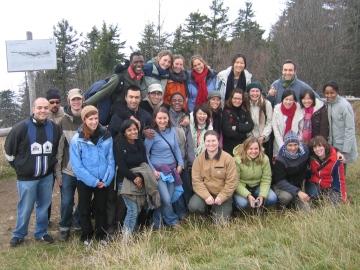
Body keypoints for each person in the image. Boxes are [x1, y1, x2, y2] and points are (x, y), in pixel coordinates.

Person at [5, 98, 61, 247]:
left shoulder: (55, 128)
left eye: (45, 108)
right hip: (27, 178)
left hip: (46, 176)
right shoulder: (21, 128)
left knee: (44, 205)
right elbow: (9, 152)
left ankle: (41, 232)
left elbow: (55, 151)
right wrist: (21, 168)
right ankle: (19, 234)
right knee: (25, 206)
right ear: (33, 109)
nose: (43, 111)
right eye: (39, 108)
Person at [106, 85, 153, 237]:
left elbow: (144, 150)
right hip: (120, 169)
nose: (134, 100)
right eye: (131, 97)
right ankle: (116, 229)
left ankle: (132, 230)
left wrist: (144, 175)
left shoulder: (145, 116)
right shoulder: (117, 116)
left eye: (137, 97)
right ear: (126, 97)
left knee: (139, 206)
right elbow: (111, 140)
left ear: (141, 98)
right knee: (117, 203)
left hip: (138, 168)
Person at [70, 106, 115, 245]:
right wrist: (93, 181)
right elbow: (77, 164)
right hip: (85, 180)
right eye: (91, 119)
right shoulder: (77, 139)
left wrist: (106, 180)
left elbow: (110, 160)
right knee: (84, 208)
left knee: (101, 208)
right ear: (84, 120)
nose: (94, 122)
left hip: (103, 179)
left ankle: (100, 234)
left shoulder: (106, 136)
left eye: (96, 118)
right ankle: (86, 234)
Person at [114, 119, 160, 237]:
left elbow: (144, 162)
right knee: (132, 210)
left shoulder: (140, 143)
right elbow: (122, 166)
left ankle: (134, 231)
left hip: (141, 178)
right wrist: (135, 178)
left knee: (144, 207)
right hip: (125, 180)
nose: (133, 132)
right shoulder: (119, 145)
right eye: (129, 130)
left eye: (135, 129)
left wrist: (141, 177)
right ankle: (126, 238)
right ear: (124, 132)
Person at [144, 107, 184, 229]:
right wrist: (152, 170)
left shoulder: (171, 130)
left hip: (172, 170)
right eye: (159, 118)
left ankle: (156, 222)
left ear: (168, 118)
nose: (162, 121)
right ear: (155, 119)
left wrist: (180, 164)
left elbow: (176, 147)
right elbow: (145, 154)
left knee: (169, 198)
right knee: (166, 199)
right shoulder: (151, 134)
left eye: (164, 118)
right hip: (159, 171)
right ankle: (172, 221)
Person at [188, 130, 237, 222]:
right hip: (205, 193)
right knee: (193, 207)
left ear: (218, 141)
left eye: (213, 141)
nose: (211, 143)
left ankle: (219, 210)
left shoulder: (228, 158)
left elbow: (232, 182)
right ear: (204, 142)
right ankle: (206, 210)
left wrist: (222, 196)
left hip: (222, 194)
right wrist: (206, 196)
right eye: (208, 141)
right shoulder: (198, 159)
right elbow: (196, 181)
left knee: (221, 223)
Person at [55, 88, 84, 242]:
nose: (76, 102)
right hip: (68, 170)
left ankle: (78, 222)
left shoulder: (89, 119)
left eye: (78, 99)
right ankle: (64, 227)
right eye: (73, 99)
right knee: (67, 201)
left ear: (83, 100)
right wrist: (58, 173)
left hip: (85, 170)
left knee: (84, 199)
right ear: (69, 102)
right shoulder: (62, 122)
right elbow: (59, 150)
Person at [169, 92, 196, 218]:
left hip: (184, 161)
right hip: (170, 162)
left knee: (186, 187)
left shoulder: (185, 118)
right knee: (176, 189)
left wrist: (192, 162)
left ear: (184, 101)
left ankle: (189, 211)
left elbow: (189, 142)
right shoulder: (166, 116)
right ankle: (180, 213)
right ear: (170, 101)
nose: (177, 103)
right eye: (174, 100)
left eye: (180, 100)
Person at [233, 137, 277, 210]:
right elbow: (235, 182)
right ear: (245, 149)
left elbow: (266, 179)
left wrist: (262, 195)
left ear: (259, 149)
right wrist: (248, 195)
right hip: (242, 186)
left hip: (257, 186)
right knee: (242, 203)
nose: (253, 151)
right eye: (250, 149)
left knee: (272, 198)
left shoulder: (265, 159)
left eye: (256, 149)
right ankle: (236, 210)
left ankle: (259, 207)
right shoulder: (237, 160)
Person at [323, 81, 358, 171]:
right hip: (332, 143)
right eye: (327, 93)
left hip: (342, 143)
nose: (329, 95)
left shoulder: (345, 106)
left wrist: (345, 149)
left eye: (332, 93)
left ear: (337, 92)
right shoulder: (327, 105)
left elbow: (350, 128)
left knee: (341, 168)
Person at [272, 130, 311, 211]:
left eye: (295, 144)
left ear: (299, 144)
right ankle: (280, 206)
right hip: (282, 187)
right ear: (285, 145)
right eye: (290, 145)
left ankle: (292, 203)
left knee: (307, 210)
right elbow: (280, 181)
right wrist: (298, 192)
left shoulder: (305, 151)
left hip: (297, 188)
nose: (293, 148)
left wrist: (337, 151)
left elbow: (320, 146)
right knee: (286, 197)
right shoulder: (280, 159)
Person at [306, 136, 348, 204]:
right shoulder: (311, 157)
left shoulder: (336, 160)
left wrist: (343, 198)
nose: (318, 149)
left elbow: (341, 180)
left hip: (331, 186)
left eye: (320, 146)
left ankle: (327, 196)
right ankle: (319, 197)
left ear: (325, 146)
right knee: (313, 194)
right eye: (315, 147)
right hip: (315, 183)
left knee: (333, 204)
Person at [222, 88, 254, 156]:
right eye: (235, 98)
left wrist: (236, 127)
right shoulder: (226, 111)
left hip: (243, 146)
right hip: (229, 147)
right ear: (231, 98)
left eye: (239, 99)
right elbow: (228, 131)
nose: (237, 101)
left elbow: (251, 126)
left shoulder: (245, 110)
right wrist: (243, 132)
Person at [244, 82, 273, 157]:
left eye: (257, 91)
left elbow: (269, 122)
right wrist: (251, 138)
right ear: (248, 92)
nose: (255, 93)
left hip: (263, 140)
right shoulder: (244, 104)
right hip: (248, 140)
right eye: (252, 91)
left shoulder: (266, 104)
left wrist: (263, 136)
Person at [272, 89, 304, 157]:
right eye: (286, 99)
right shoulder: (277, 110)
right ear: (282, 99)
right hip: (279, 143)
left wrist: (295, 144)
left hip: (294, 146)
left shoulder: (299, 111)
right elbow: (275, 129)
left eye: (291, 100)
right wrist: (282, 146)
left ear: (294, 100)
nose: (288, 102)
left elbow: (301, 130)